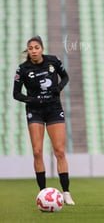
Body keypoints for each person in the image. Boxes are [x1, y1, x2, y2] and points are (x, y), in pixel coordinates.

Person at [13, 35, 75, 205]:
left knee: (59, 151)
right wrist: (32, 100)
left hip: (54, 109)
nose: (34, 50)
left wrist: (59, 88)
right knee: (37, 152)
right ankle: (42, 194)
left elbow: (66, 77)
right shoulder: (22, 69)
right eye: (31, 48)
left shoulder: (53, 61)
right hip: (35, 111)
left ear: (42, 48)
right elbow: (16, 94)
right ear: (28, 50)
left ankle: (67, 192)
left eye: (36, 47)